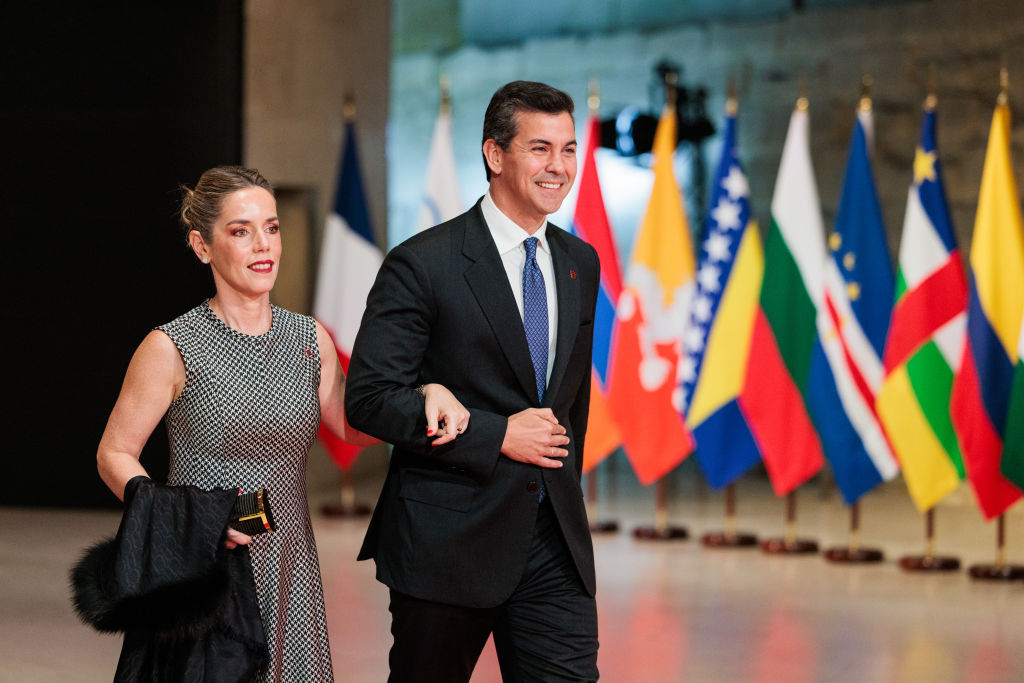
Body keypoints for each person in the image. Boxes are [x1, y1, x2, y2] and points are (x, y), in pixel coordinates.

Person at [95, 166, 470, 682]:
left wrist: (426, 391)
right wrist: (182, 522)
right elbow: (113, 453)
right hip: (205, 567)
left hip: (290, 563)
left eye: (271, 227)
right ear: (202, 247)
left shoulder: (308, 337)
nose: (262, 245)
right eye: (240, 231)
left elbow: (355, 425)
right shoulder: (170, 346)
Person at [345, 81, 600, 682]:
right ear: (495, 154)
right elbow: (369, 400)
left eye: (568, 150)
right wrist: (496, 436)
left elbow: (570, 403)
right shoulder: (423, 263)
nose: (558, 167)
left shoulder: (578, 262)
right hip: (445, 543)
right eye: (540, 148)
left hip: (553, 544)